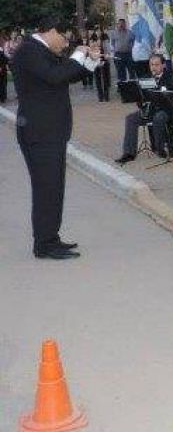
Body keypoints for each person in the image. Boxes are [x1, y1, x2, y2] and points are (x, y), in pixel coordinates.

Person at [10, 18, 100, 259]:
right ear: (51, 32)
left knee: (53, 187)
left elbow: (65, 74)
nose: (66, 42)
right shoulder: (29, 50)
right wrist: (78, 56)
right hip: (40, 132)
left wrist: (89, 63)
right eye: (65, 37)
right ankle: (44, 244)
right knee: (46, 188)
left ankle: (51, 237)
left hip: (50, 131)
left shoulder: (40, 50)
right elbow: (54, 76)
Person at [115, 54, 173, 163]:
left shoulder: (171, 78)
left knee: (158, 118)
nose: (153, 67)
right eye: (151, 65)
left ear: (164, 65)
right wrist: (139, 98)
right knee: (130, 118)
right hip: (150, 110)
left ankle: (160, 149)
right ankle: (129, 153)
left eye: (156, 64)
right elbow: (140, 98)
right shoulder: (145, 78)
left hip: (165, 110)